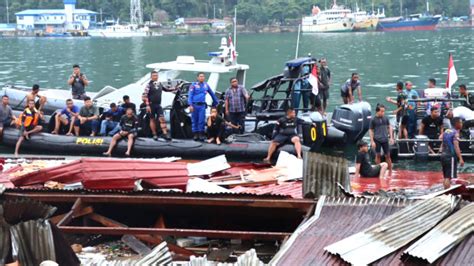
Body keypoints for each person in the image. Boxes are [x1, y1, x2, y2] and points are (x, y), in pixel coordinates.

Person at [188, 72, 219, 141]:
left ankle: (201, 134)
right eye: (200, 76)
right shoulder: (193, 85)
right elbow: (190, 95)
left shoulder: (206, 85)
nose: (202, 78)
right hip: (194, 105)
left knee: (201, 120)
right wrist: (190, 105)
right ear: (197, 77)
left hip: (202, 105)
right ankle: (195, 134)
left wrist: (216, 102)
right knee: (194, 120)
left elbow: (212, 94)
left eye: (203, 76)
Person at [144, 71, 173, 140]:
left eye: (156, 75)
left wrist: (176, 88)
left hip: (158, 105)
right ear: (151, 77)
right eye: (154, 76)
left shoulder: (159, 84)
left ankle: (165, 133)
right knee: (152, 119)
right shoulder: (148, 85)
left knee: (162, 118)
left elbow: (166, 89)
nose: (155, 77)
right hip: (151, 105)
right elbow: (145, 95)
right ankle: (154, 134)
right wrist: (147, 105)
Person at [369, 104, 394, 176]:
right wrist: (372, 141)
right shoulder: (373, 120)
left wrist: (391, 137)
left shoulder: (385, 118)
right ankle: (378, 170)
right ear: (377, 111)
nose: (383, 113)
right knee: (378, 155)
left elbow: (389, 127)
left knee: (388, 156)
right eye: (382, 111)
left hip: (385, 139)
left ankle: (390, 171)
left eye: (384, 111)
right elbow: (370, 130)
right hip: (377, 139)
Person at [439, 118, 464, 189]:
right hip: (451, 156)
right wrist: (461, 158)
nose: (462, 124)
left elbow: (440, 137)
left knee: (446, 176)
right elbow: (456, 146)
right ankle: (448, 193)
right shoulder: (455, 133)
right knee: (449, 177)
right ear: (457, 124)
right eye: (461, 123)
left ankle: (445, 190)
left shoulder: (447, 130)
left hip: (443, 155)